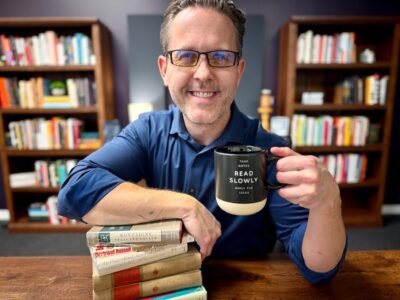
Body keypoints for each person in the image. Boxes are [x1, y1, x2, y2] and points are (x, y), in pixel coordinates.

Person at [58, 0, 346, 284]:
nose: (204, 73)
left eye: (220, 57)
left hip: (247, 287)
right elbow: (74, 192)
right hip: (164, 282)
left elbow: (318, 268)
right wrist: (183, 206)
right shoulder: (147, 131)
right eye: (185, 56)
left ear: (239, 70)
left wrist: (327, 203)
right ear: (164, 69)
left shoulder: (270, 149)